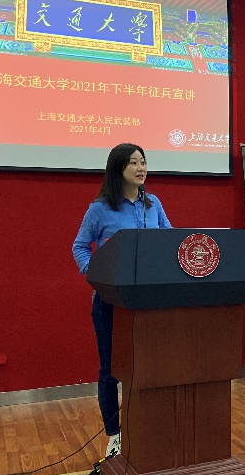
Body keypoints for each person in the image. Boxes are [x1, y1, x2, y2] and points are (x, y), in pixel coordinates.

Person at [72, 143, 172, 458]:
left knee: (148, 367)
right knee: (111, 370)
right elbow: (80, 246)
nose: (141, 168)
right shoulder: (100, 208)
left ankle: (147, 430)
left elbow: (170, 240)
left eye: (143, 162)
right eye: (133, 163)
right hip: (110, 302)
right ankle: (114, 437)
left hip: (148, 302)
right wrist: (95, 272)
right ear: (118, 169)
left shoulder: (153, 205)